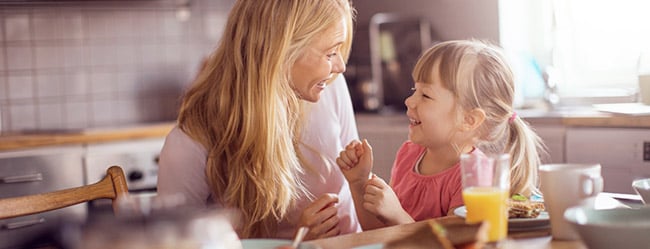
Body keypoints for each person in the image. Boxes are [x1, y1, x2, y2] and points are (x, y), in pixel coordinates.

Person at [156, 0, 361, 240]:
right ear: (281, 51)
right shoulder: (191, 142)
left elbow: (355, 183)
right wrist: (296, 243)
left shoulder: (330, 88)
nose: (341, 66)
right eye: (330, 53)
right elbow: (175, 245)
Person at [336, 40, 546, 230]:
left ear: (469, 120)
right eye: (414, 89)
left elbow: (454, 244)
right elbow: (377, 234)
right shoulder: (409, 154)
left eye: (425, 95)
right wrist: (358, 182)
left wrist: (398, 216)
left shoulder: (475, 178)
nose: (409, 101)